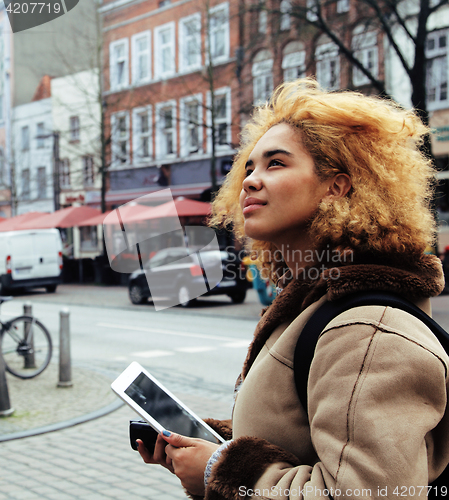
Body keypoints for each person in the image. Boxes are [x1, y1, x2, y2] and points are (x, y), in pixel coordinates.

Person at [137, 78, 449, 499]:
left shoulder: (365, 330)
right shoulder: (315, 303)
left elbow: (366, 492)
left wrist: (218, 470)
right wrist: (211, 442)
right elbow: (308, 437)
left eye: (276, 164)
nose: (250, 180)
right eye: (249, 167)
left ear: (337, 186)